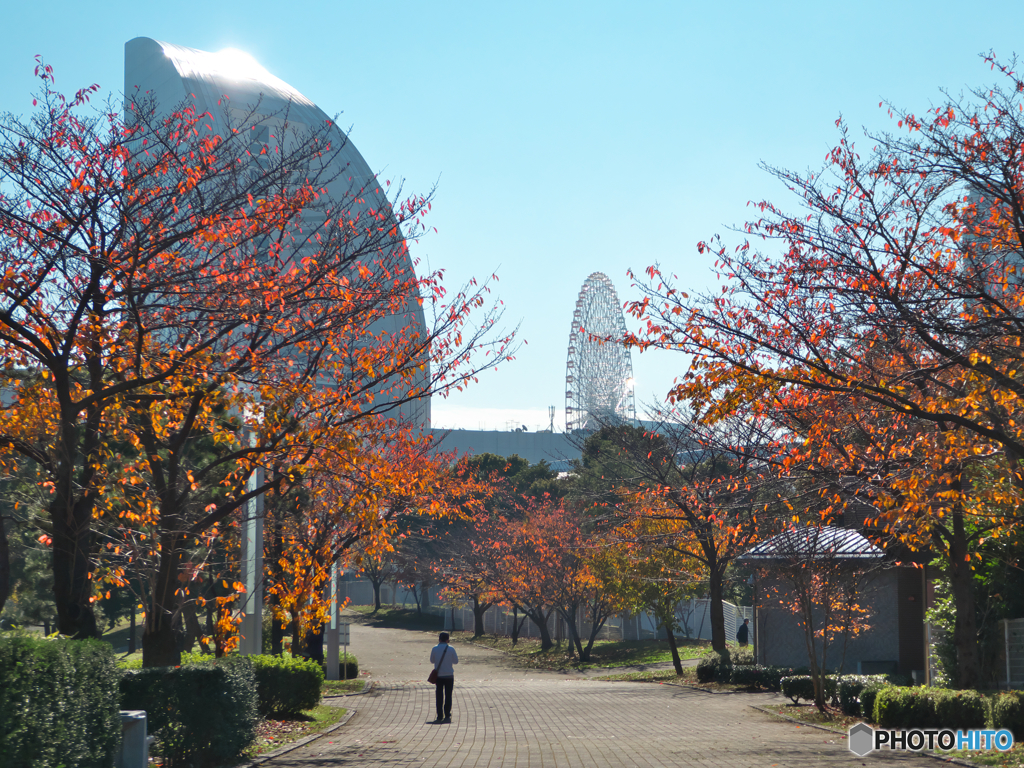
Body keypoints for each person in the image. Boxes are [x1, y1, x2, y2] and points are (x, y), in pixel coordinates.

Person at [430, 632, 459, 723]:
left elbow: (432, 660)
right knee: (448, 695)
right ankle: (447, 713)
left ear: (439, 639)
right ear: (448, 639)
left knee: (439, 695)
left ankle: (439, 715)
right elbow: (456, 661)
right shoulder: (451, 649)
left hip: (439, 675)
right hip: (449, 675)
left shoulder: (434, 648)